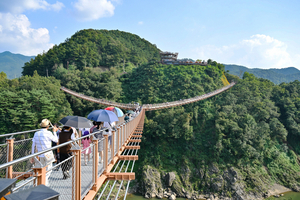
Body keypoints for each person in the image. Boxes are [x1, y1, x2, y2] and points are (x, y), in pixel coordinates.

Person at [31, 119, 58, 186]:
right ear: (48, 126)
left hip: (39, 155)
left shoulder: (36, 133)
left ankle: (40, 183)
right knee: (48, 170)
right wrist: (54, 132)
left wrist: (32, 155)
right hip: (48, 154)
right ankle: (44, 184)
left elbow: (33, 145)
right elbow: (56, 140)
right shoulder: (48, 133)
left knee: (40, 170)